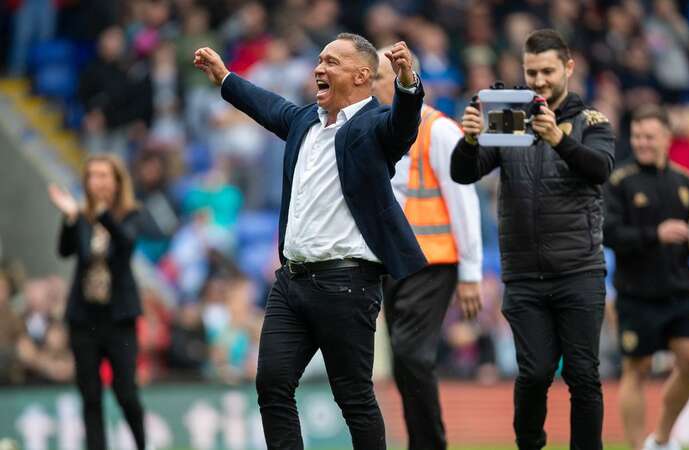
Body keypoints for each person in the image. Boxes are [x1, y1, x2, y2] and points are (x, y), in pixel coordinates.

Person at [193, 34, 425, 450]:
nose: (319, 68)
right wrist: (226, 78)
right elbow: (269, 107)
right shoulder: (305, 121)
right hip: (292, 282)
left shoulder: (375, 125)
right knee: (272, 385)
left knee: (353, 399)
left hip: (347, 284)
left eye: (331, 62)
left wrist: (408, 82)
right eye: (319, 59)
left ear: (362, 75)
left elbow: (404, 126)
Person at [451, 29, 615, 450]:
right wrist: (469, 140)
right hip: (524, 275)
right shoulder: (512, 117)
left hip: (579, 270)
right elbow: (464, 172)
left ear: (568, 68)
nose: (539, 80)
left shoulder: (590, 121)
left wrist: (558, 139)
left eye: (547, 71)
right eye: (531, 71)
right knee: (535, 373)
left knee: (582, 375)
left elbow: (600, 169)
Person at [371, 48, 483, 450]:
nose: (369, 85)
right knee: (404, 361)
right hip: (393, 264)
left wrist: (471, 273)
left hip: (432, 260)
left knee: (411, 355)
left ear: (403, 78)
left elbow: (464, 202)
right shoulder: (376, 130)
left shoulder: (439, 130)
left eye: (377, 77)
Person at [604, 106, 689, 450]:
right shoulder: (620, 181)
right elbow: (609, 233)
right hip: (636, 293)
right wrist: (654, 234)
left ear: (666, 138)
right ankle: (637, 446)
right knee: (637, 368)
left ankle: (661, 439)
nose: (642, 143)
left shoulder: (684, 181)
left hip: (678, 291)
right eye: (636, 137)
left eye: (649, 137)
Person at [48, 154, 146, 450]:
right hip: (84, 317)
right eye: (93, 176)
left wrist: (101, 213)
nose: (98, 182)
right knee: (90, 395)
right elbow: (64, 251)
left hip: (119, 318)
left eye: (105, 175)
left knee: (125, 391)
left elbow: (125, 245)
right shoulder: (80, 216)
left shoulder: (131, 214)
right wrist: (70, 217)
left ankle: (142, 444)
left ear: (117, 182)